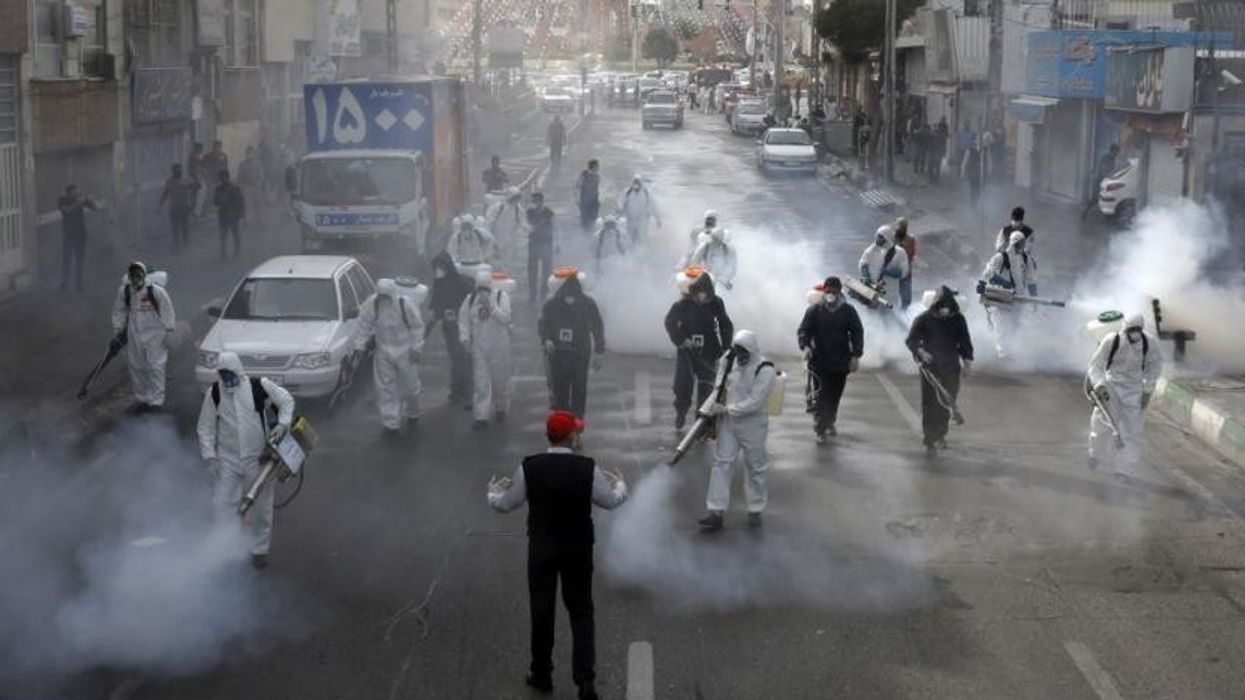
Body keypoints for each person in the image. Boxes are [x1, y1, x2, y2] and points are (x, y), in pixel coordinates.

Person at [487, 410, 628, 700]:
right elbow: (611, 501)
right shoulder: (587, 467)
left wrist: (492, 494)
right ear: (572, 436)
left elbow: (506, 504)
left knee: (542, 612)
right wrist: (621, 485)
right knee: (581, 612)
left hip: (541, 550)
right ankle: (585, 681)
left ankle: (541, 673)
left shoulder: (530, 466)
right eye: (577, 431)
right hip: (577, 549)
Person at [197, 351, 295, 570]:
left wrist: (282, 423)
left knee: (261, 507)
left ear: (238, 371)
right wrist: (210, 457)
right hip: (227, 460)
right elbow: (205, 428)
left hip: (258, 459)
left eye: (229, 374)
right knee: (223, 504)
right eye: (222, 374)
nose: (227, 379)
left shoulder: (259, 385)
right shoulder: (214, 393)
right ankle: (224, 549)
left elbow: (286, 400)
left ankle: (258, 551)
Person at [698, 330, 777, 532]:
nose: (740, 356)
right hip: (729, 423)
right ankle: (716, 511)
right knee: (722, 464)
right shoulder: (730, 360)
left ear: (752, 351)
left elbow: (755, 402)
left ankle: (755, 508)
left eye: (744, 352)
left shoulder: (765, 370)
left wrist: (727, 409)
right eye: (737, 351)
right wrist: (713, 410)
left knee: (755, 467)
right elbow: (719, 384)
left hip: (753, 425)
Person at [1086, 314, 1163, 478]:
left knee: (1131, 432)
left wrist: (1147, 391)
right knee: (1101, 426)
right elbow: (1095, 365)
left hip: (1134, 390)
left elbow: (1155, 367)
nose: (1135, 333)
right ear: (1125, 329)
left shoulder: (1149, 344)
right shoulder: (1112, 341)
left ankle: (1124, 471)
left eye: (1138, 330)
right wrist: (1099, 385)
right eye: (1131, 329)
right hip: (1111, 386)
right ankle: (1095, 455)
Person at [905, 286, 974, 455]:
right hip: (930, 368)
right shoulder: (924, 319)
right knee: (929, 403)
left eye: (949, 305)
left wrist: (967, 363)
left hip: (951, 366)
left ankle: (941, 434)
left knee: (947, 401)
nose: (945, 308)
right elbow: (911, 340)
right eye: (942, 304)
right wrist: (921, 352)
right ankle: (929, 439)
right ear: (935, 304)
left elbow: (965, 342)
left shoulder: (958, 320)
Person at [353, 279, 425, 434]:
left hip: (406, 350)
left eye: (386, 296)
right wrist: (359, 346)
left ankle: (412, 412)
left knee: (411, 386)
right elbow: (363, 325)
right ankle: (391, 423)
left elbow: (417, 327)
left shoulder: (405, 305)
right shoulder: (372, 305)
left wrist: (416, 348)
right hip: (383, 351)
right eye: (381, 296)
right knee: (385, 388)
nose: (383, 299)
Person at [664, 271, 733, 431]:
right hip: (687, 350)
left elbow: (725, 324)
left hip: (709, 349)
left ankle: (700, 425)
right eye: (698, 293)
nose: (702, 297)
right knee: (683, 385)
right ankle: (680, 412)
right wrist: (681, 340)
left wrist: (725, 347)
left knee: (706, 387)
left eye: (705, 293)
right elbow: (669, 322)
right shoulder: (682, 304)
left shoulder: (716, 303)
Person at [797, 277, 864, 443]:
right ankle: (820, 427)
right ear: (823, 292)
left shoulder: (848, 311)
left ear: (839, 292)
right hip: (819, 361)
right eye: (828, 292)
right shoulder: (814, 311)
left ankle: (830, 421)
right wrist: (805, 347)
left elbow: (857, 333)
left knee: (835, 395)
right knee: (821, 394)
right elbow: (803, 331)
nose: (831, 295)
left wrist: (856, 355)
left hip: (840, 362)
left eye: (834, 291)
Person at [111, 262, 175, 411]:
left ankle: (156, 403)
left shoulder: (156, 291)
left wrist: (169, 332)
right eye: (133, 277)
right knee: (136, 367)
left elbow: (167, 311)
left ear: (144, 276)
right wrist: (118, 331)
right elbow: (118, 311)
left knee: (156, 367)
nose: (136, 280)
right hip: (134, 334)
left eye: (139, 276)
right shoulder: (125, 291)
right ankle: (142, 399)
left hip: (156, 335)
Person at [539, 275, 605, 417]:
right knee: (559, 391)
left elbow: (597, 326)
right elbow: (544, 324)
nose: (570, 301)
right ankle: (562, 425)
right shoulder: (552, 305)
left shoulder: (588, 304)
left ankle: (577, 425)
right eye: (567, 298)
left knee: (579, 390)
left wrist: (599, 351)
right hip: (558, 355)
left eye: (573, 298)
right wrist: (546, 339)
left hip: (580, 355)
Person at [460, 269, 513, 429]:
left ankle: (501, 406)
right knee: (481, 381)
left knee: (499, 380)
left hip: (499, 346)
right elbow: (463, 320)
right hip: (480, 347)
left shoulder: (501, 297)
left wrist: (492, 307)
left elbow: (506, 318)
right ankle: (481, 416)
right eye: (480, 288)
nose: (482, 292)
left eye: (485, 288)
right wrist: (465, 338)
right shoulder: (470, 300)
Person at [977, 230, 1038, 357]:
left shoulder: (1026, 259)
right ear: (1013, 243)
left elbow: (1031, 280)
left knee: (1014, 324)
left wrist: (1034, 300)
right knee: (1002, 323)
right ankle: (1002, 351)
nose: (1021, 246)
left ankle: (1007, 349)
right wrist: (1004, 283)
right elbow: (988, 273)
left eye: (1022, 243)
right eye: (1018, 244)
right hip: (1001, 295)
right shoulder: (1001, 257)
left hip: (1018, 297)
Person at [426, 252, 474, 407]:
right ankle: (458, 392)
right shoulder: (439, 284)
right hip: (449, 329)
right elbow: (435, 308)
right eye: (435, 268)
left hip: (464, 326)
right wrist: (424, 334)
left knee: (463, 360)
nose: (437, 271)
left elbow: (472, 302)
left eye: (440, 267)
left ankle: (466, 394)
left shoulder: (461, 283)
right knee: (457, 360)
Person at [858, 224, 911, 305]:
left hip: (889, 292)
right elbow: (863, 263)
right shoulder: (872, 249)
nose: (877, 239)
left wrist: (889, 272)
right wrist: (866, 276)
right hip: (871, 289)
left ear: (887, 238)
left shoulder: (900, 252)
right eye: (877, 236)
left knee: (887, 312)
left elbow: (904, 272)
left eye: (881, 237)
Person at [58, 184, 97, 292]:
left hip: (81, 234)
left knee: (79, 260)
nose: (77, 194)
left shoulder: (81, 199)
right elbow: (66, 210)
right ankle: (64, 283)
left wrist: (90, 200)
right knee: (67, 260)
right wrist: (80, 202)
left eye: (78, 192)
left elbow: (95, 208)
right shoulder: (63, 200)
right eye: (75, 192)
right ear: (69, 193)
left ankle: (79, 285)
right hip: (68, 235)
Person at [158, 163, 198, 252]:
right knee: (175, 227)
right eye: (176, 170)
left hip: (185, 207)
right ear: (173, 171)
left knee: (185, 226)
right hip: (174, 207)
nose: (178, 172)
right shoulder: (170, 181)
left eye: (180, 170)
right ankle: (176, 245)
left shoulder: (187, 180)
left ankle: (185, 244)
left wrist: (195, 182)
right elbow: (165, 194)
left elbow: (197, 187)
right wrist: (160, 205)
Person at [526, 192, 556, 304]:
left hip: (547, 243)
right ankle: (532, 294)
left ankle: (544, 292)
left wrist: (557, 244)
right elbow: (525, 225)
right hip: (533, 243)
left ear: (541, 201)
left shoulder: (549, 213)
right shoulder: (529, 212)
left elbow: (554, 227)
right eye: (533, 201)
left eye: (536, 201)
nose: (534, 203)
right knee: (532, 270)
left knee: (547, 270)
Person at [487, 187, 528, 262]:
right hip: (497, 239)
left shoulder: (518, 208)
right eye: (514, 197)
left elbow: (523, 221)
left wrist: (527, 228)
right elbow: (489, 223)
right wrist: (491, 239)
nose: (516, 200)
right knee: (497, 263)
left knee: (509, 262)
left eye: (517, 198)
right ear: (510, 196)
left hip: (510, 240)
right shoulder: (498, 207)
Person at [616, 175, 660, 244]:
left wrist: (657, 218)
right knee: (630, 237)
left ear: (641, 184)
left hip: (642, 220)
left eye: (638, 183)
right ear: (632, 184)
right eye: (635, 183)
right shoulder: (627, 192)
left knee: (642, 238)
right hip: (631, 220)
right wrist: (619, 212)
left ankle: (640, 252)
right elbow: (621, 202)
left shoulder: (646, 193)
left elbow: (653, 206)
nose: (636, 186)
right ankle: (630, 251)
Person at [213, 169, 246, 260]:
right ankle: (223, 253)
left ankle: (237, 252)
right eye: (221, 178)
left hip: (233, 215)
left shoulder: (235, 188)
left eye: (224, 177)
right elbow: (215, 202)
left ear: (228, 177)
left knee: (235, 234)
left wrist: (241, 213)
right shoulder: (218, 189)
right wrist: (221, 201)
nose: (223, 179)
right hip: (223, 215)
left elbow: (241, 201)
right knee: (223, 235)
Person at [1084, 144, 1120, 219]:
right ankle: (1085, 212)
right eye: (1116, 151)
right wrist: (1109, 176)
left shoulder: (1113, 158)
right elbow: (1103, 169)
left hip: (1107, 181)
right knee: (1095, 198)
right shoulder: (1105, 158)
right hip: (1100, 181)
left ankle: (1107, 217)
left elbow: (1112, 170)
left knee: (1107, 198)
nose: (1117, 153)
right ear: (1113, 151)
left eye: (1117, 152)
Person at [236, 146, 265, 226]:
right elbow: (239, 176)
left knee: (258, 204)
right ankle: (248, 220)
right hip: (247, 187)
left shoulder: (258, 164)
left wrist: (259, 183)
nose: (250, 154)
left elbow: (261, 175)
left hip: (256, 187)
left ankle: (260, 219)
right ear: (246, 154)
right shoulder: (242, 164)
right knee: (247, 204)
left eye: (251, 153)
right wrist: (241, 186)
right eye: (248, 153)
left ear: (254, 154)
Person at [892, 218, 917, 308]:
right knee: (891, 297)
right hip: (892, 272)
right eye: (900, 227)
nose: (901, 229)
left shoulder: (910, 239)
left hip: (905, 273)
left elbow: (911, 255)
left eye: (903, 227)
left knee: (906, 300)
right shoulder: (892, 238)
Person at [201, 140, 229, 216]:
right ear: (213, 147)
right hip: (211, 179)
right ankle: (204, 213)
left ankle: (222, 213)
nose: (217, 148)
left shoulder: (223, 155)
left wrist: (226, 179)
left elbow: (226, 167)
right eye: (216, 146)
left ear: (220, 147)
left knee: (222, 196)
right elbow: (202, 167)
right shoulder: (208, 156)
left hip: (221, 179)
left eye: (219, 146)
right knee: (209, 196)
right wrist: (206, 177)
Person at [574, 159, 601, 233]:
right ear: (593, 166)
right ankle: (586, 233)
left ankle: (591, 231)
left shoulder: (597, 176)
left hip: (594, 201)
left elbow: (597, 188)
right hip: (585, 201)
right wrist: (578, 200)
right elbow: (577, 187)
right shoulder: (584, 175)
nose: (598, 168)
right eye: (597, 166)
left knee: (593, 218)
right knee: (585, 220)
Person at [961, 139, 984, 206]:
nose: (977, 143)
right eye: (976, 142)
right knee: (973, 188)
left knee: (978, 189)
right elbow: (965, 161)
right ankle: (973, 202)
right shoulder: (969, 150)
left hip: (979, 173)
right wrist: (963, 171)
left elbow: (984, 163)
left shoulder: (983, 151)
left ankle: (975, 200)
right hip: (972, 172)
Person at [929, 118, 949, 183]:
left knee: (936, 166)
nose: (940, 128)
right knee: (933, 166)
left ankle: (935, 178)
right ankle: (933, 178)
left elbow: (944, 144)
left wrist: (943, 152)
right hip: (934, 151)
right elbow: (929, 141)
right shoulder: (933, 133)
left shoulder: (941, 135)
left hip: (937, 152)